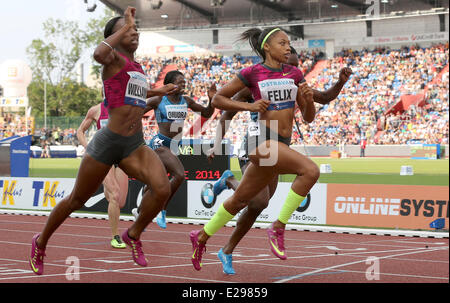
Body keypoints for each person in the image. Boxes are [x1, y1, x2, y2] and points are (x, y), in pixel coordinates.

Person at [29, 6, 178, 275]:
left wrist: (159, 90)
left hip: (133, 144)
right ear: (115, 35)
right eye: (127, 29)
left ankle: (133, 234)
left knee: (163, 188)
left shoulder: (137, 66)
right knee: (76, 200)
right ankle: (40, 242)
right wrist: (124, 26)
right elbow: (98, 53)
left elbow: (137, 93)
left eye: (135, 30)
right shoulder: (111, 59)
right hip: (107, 143)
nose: (134, 32)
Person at [207, 47, 352, 274]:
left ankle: (226, 250)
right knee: (258, 200)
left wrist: (340, 82)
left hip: (279, 148)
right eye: (289, 63)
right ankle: (228, 183)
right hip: (256, 145)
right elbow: (227, 113)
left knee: (259, 205)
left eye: (295, 66)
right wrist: (216, 143)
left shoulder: (295, 83)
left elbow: (324, 97)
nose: (293, 69)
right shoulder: (254, 84)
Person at [132, 70, 215, 229]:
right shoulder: (159, 99)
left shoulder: (187, 101)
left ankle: (140, 210)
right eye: (180, 82)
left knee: (156, 182)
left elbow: (206, 113)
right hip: (159, 143)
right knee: (179, 175)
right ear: (169, 85)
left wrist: (211, 99)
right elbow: (136, 113)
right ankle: (162, 209)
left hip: (174, 145)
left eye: (184, 82)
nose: (184, 85)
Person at [77, 101, 129, 249]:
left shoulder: (125, 107)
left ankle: (109, 192)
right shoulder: (95, 110)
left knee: (120, 201)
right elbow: (80, 131)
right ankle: (115, 236)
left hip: (122, 158)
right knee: (115, 194)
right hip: (103, 157)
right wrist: (88, 147)